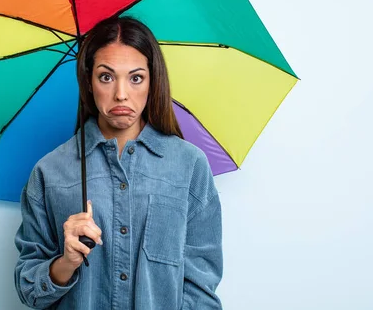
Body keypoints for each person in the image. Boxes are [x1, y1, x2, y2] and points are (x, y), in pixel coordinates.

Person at [14, 16, 223, 309]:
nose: (121, 94)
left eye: (136, 78)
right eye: (106, 77)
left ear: (152, 81)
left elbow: (201, 286)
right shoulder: (50, 172)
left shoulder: (189, 166)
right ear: (88, 81)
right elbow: (29, 290)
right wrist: (66, 261)